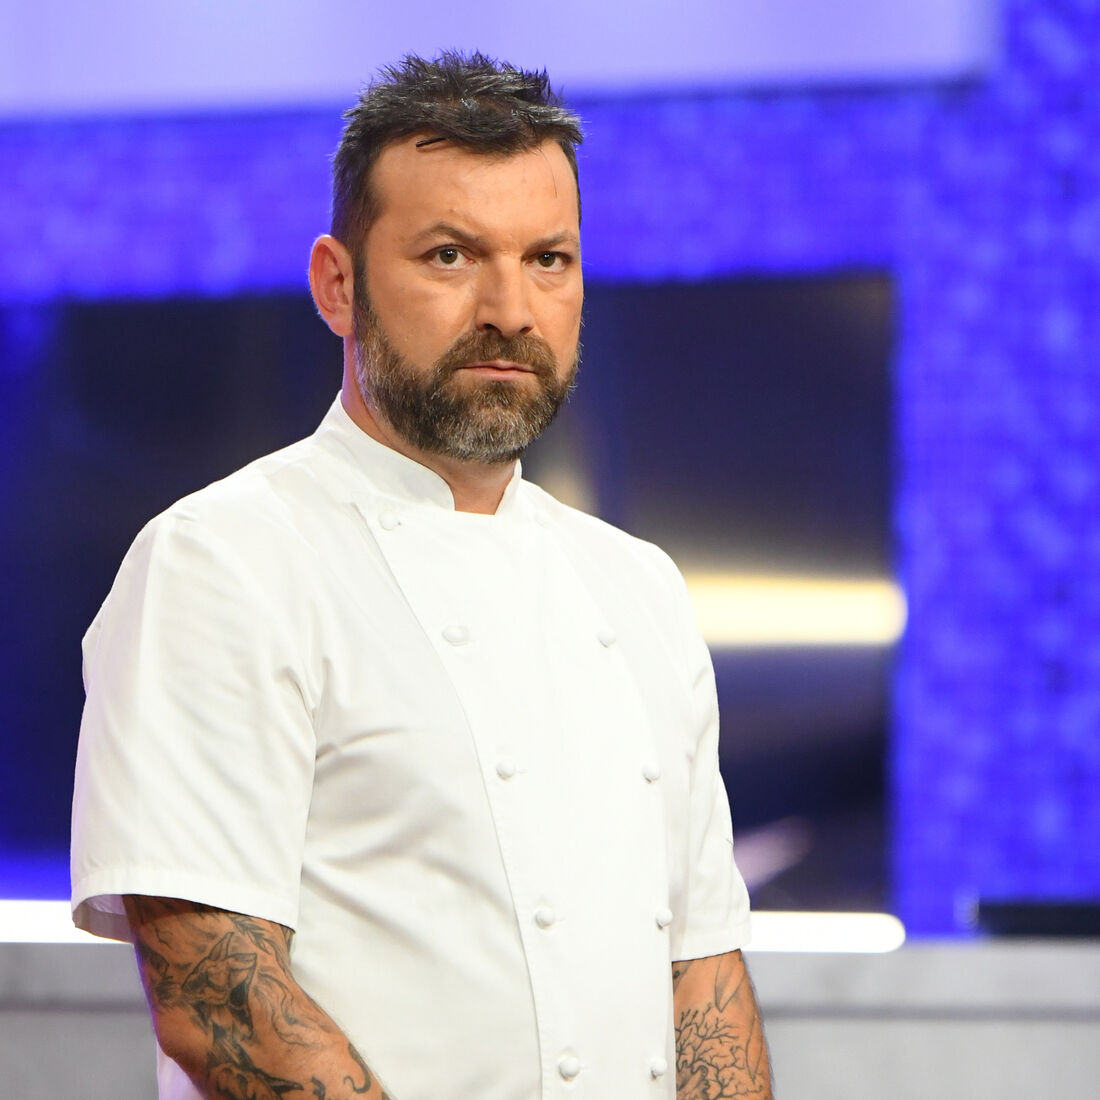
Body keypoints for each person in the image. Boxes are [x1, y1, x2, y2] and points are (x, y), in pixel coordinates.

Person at [71, 51, 773, 1100]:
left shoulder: (639, 589)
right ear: (337, 284)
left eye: (548, 259)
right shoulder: (224, 561)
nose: (510, 308)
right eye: (450, 255)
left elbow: (704, 976)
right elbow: (218, 991)